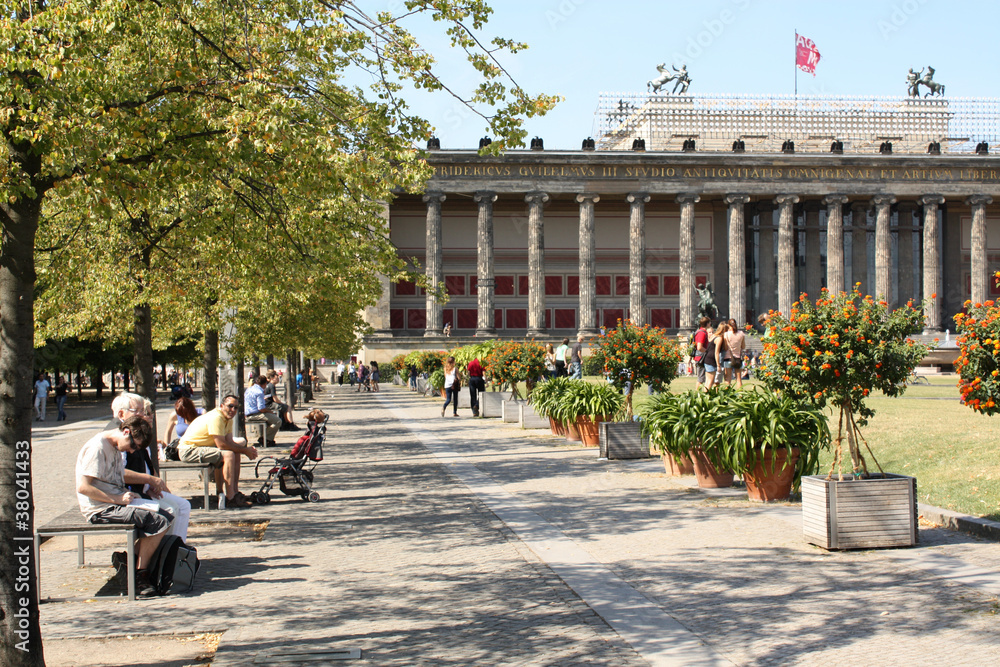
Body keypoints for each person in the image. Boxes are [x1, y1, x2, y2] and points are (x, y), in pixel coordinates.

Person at [76, 414, 172, 597]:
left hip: (114, 501)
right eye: (134, 446)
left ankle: (128, 562)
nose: (133, 451)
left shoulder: (114, 447)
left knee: (166, 515)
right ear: (126, 432)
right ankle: (140, 576)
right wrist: (117, 499)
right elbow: (83, 487)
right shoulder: (98, 448)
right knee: (157, 521)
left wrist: (144, 491)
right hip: (99, 508)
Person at [109, 393, 191, 541]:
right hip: (124, 496)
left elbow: (147, 465)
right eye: (138, 411)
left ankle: (175, 549)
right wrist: (148, 481)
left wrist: (152, 484)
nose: (145, 416)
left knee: (183, 505)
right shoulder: (119, 435)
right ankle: (161, 552)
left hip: (140, 490)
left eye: (144, 411)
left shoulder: (134, 432)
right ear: (121, 414)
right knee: (169, 512)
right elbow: (117, 473)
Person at [177, 395, 258, 508]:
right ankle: (230, 498)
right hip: (188, 450)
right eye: (230, 406)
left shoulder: (228, 418)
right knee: (228, 454)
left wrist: (246, 449)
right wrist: (245, 451)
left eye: (236, 407)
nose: (233, 410)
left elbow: (229, 442)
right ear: (222, 406)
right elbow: (221, 445)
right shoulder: (216, 418)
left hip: (201, 448)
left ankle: (234, 492)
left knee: (235, 451)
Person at [245, 374, 280, 446]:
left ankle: (265, 437)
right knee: (277, 421)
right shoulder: (259, 392)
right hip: (255, 414)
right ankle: (266, 438)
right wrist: (270, 411)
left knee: (271, 419)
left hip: (247, 413)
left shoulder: (249, 389)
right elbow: (261, 409)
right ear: (264, 384)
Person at [724, 318, 748, 389]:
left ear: (728, 325)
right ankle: (740, 393)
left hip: (728, 357)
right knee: (738, 379)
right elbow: (743, 346)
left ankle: (727, 393)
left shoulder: (726, 334)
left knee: (728, 379)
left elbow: (725, 347)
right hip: (737, 358)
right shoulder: (741, 334)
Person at [692, 316, 711, 390]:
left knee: (702, 378)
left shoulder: (701, 331)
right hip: (701, 358)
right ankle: (698, 393)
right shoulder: (702, 333)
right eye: (709, 323)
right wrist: (707, 351)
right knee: (701, 378)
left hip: (700, 357)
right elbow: (699, 347)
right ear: (707, 323)